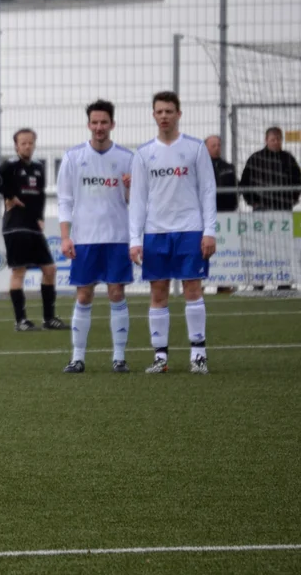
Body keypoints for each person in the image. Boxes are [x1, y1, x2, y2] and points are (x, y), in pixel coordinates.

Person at [129, 91, 217, 374]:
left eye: (169, 111)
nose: (164, 116)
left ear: (179, 114)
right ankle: (160, 357)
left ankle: (198, 355)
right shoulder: (143, 153)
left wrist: (209, 230)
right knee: (158, 292)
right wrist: (135, 239)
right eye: (159, 111)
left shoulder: (195, 148)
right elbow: (138, 199)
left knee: (193, 288)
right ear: (153, 115)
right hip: (156, 232)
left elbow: (208, 190)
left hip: (190, 229)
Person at [57, 100, 134, 373]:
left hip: (117, 237)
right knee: (83, 295)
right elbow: (64, 200)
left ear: (112, 124)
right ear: (88, 124)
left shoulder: (127, 158)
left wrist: (130, 188)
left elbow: (135, 202)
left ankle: (119, 357)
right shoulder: (73, 157)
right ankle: (77, 358)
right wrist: (65, 237)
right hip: (85, 238)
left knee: (116, 293)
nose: (99, 127)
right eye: (95, 122)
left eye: (104, 122)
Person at [0, 128, 68, 332]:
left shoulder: (39, 167)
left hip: (33, 226)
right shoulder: (11, 165)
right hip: (15, 226)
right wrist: (10, 196)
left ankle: (49, 319)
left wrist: (40, 217)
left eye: (30, 142)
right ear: (16, 146)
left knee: (50, 269)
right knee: (19, 271)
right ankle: (21, 321)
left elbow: (40, 194)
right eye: (23, 143)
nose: (27, 146)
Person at [240, 127, 301, 291]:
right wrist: (252, 202)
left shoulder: (288, 159)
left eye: (278, 139)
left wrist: (292, 200)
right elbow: (244, 183)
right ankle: (259, 281)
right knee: (261, 247)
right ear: (266, 140)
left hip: (283, 210)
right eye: (273, 139)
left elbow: (298, 181)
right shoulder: (255, 159)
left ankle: (284, 280)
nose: (276, 142)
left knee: (283, 247)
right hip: (262, 210)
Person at [205, 135, 238, 294]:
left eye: (218, 145)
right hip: (205, 215)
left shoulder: (228, 167)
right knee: (203, 250)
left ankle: (224, 284)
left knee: (225, 248)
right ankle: (199, 284)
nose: (217, 148)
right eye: (213, 145)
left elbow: (236, 188)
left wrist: (233, 205)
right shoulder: (199, 167)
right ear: (205, 148)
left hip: (225, 214)